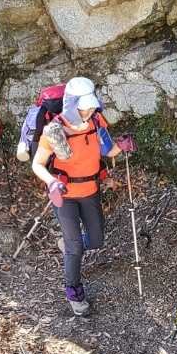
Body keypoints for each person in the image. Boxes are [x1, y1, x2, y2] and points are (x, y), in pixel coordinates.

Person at [29, 77, 134, 316]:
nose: (88, 111)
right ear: (71, 104)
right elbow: (37, 164)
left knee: (96, 240)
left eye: (90, 106)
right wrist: (52, 181)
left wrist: (123, 146)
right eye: (83, 107)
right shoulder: (54, 129)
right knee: (75, 247)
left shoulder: (96, 122)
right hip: (64, 195)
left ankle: (68, 245)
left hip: (90, 192)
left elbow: (108, 150)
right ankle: (74, 293)